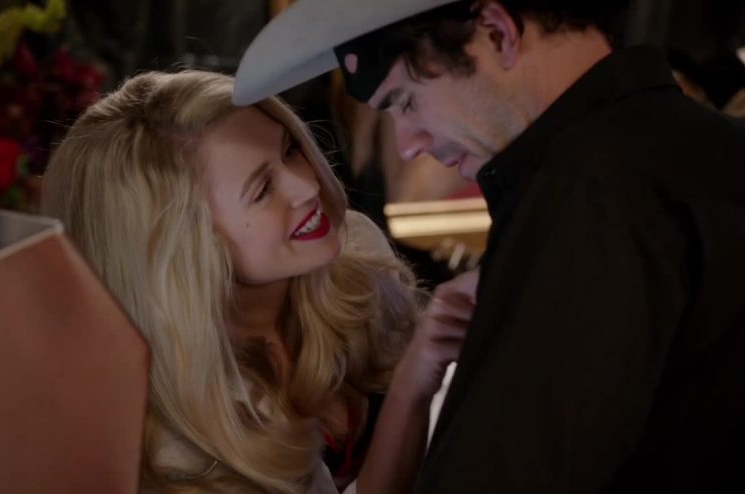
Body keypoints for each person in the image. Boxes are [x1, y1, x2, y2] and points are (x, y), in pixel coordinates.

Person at [234, 0, 745, 492]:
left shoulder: (584, 197)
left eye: (407, 100)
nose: (408, 144)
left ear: (498, 32)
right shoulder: (714, 148)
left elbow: (499, 474)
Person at [41, 69, 477, 493]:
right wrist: (409, 392)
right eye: (262, 189)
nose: (306, 186)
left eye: (290, 150)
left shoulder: (354, 250)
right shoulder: (172, 439)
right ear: (185, 249)